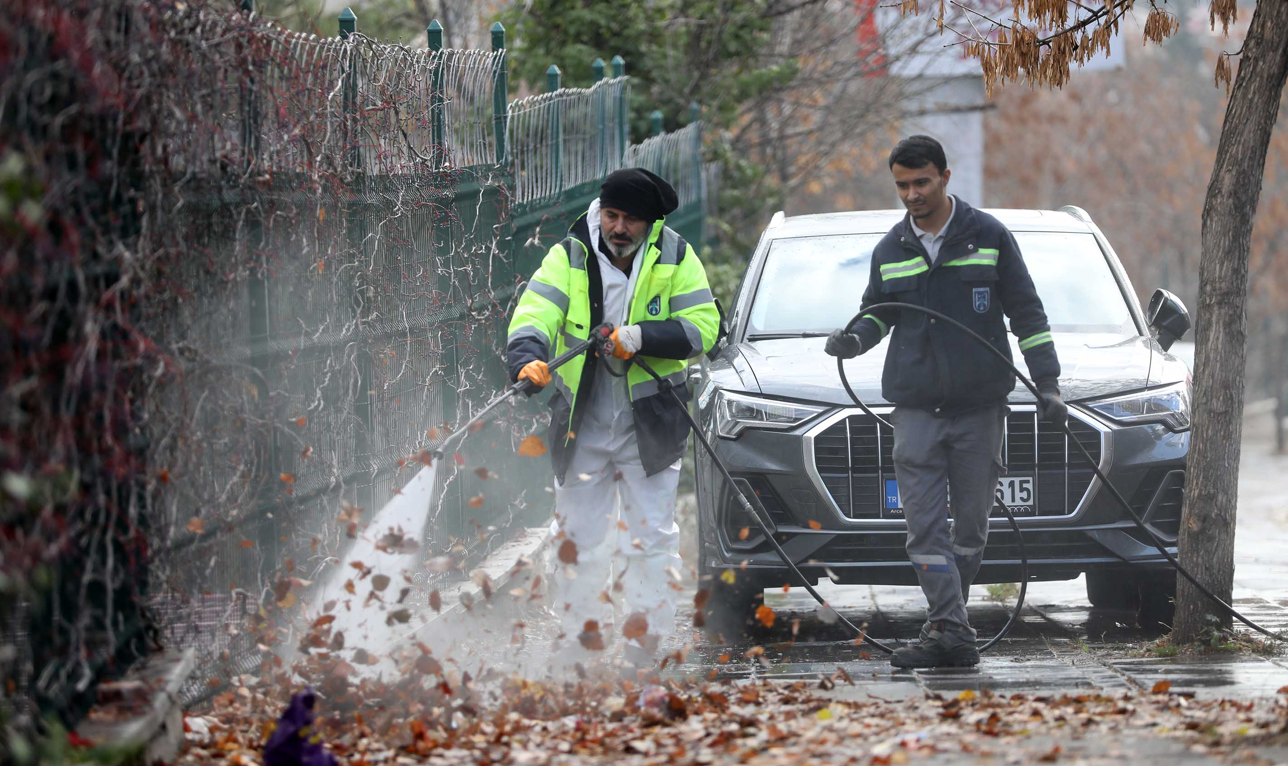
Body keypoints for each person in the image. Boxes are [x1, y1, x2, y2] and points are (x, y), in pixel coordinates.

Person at [825, 135, 1067, 669]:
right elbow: (877, 312)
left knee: (972, 531)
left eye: (921, 182)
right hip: (915, 413)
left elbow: (1028, 316)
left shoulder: (989, 237)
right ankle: (953, 633)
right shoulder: (891, 249)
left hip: (980, 411)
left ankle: (945, 632)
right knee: (925, 532)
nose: (911, 194)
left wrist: (1047, 384)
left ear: (945, 177)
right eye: (902, 186)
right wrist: (853, 339)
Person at [506, 168, 720, 671]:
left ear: (650, 223)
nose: (618, 228)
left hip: (651, 423)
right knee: (577, 539)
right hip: (583, 420)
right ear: (601, 211)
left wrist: (638, 337)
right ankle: (581, 644)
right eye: (612, 215)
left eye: (630, 220)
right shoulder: (570, 256)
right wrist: (527, 357)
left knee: (650, 540)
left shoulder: (676, 257)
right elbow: (536, 310)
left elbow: (704, 328)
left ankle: (643, 650)